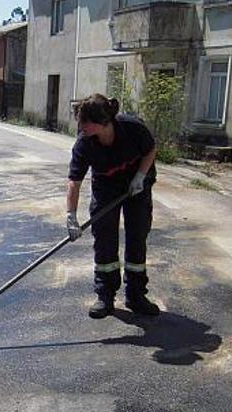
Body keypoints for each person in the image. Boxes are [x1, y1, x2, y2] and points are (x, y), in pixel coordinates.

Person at [66, 94, 161, 319]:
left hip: (136, 186)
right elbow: (74, 181)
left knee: (137, 236)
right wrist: (71, 216)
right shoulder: (84, 142)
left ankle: (136, 295)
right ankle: (105, 296)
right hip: (106, 188)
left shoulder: (132, 128)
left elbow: (150, 150)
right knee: (104, 238)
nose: (80, 127)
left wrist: (139, 177)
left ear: (102, 122)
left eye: (84, 123)